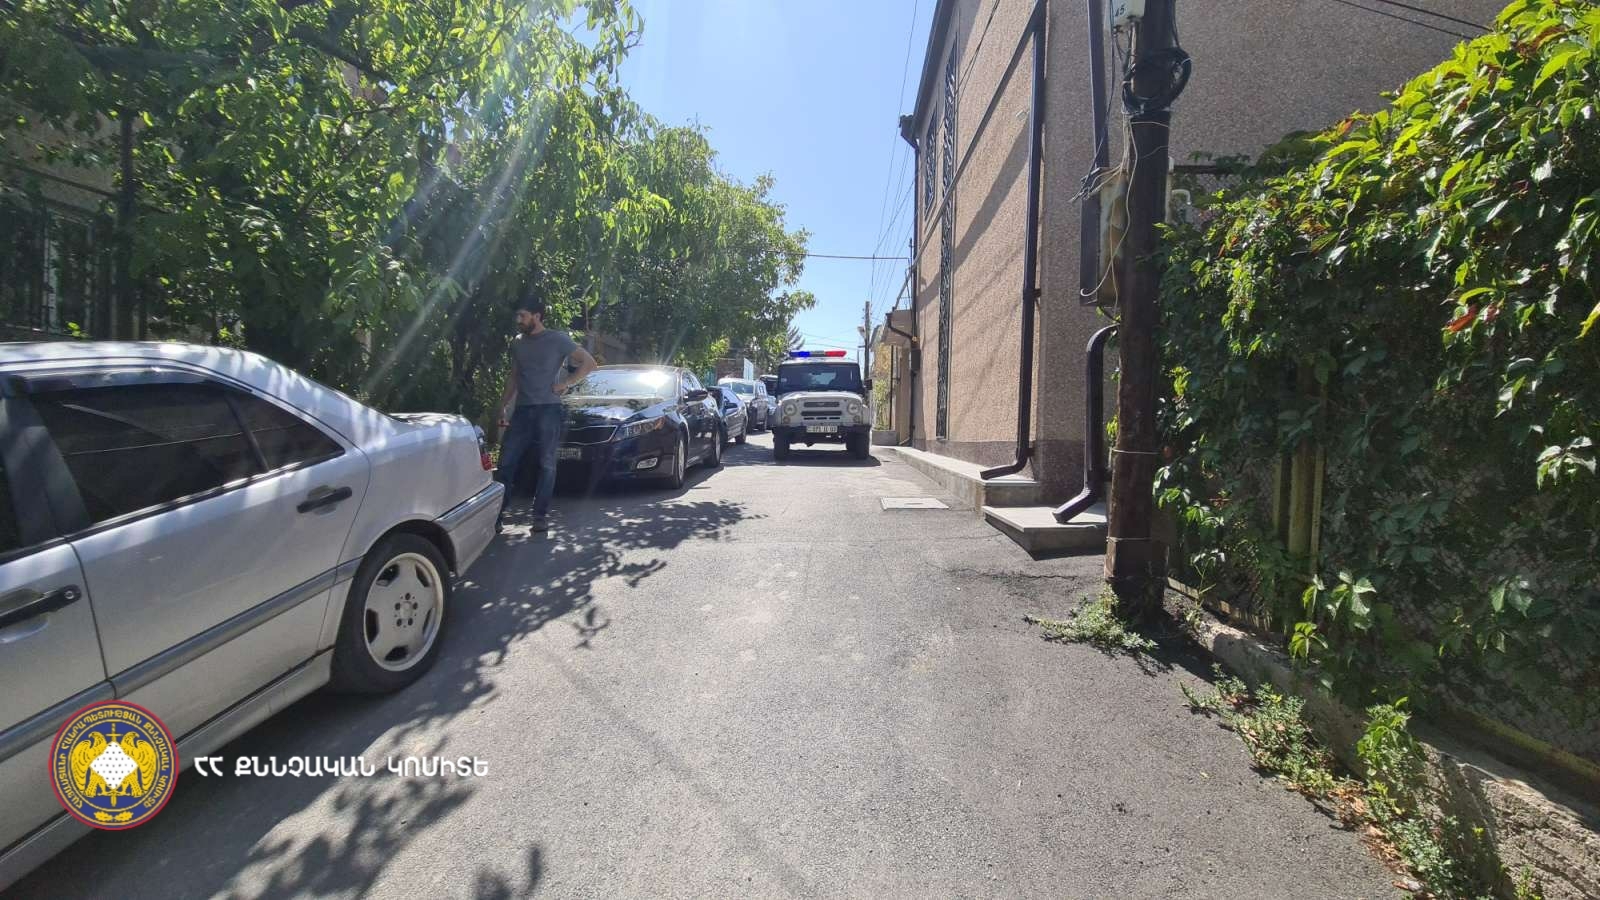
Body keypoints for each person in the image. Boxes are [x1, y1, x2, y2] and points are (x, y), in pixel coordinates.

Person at [496, 295, 597, 532]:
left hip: (548, 410)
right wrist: (502, 405)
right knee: (506, 463)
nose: (518, 320)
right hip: (522, 411)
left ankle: (539, 517)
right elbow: (514, 376)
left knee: (547, 464)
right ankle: (496, 516)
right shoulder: (518, 343)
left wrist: (566, 383)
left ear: (537, 316)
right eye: (517, 315)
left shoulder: (557, 339)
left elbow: (589, 363)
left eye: (522, 316)